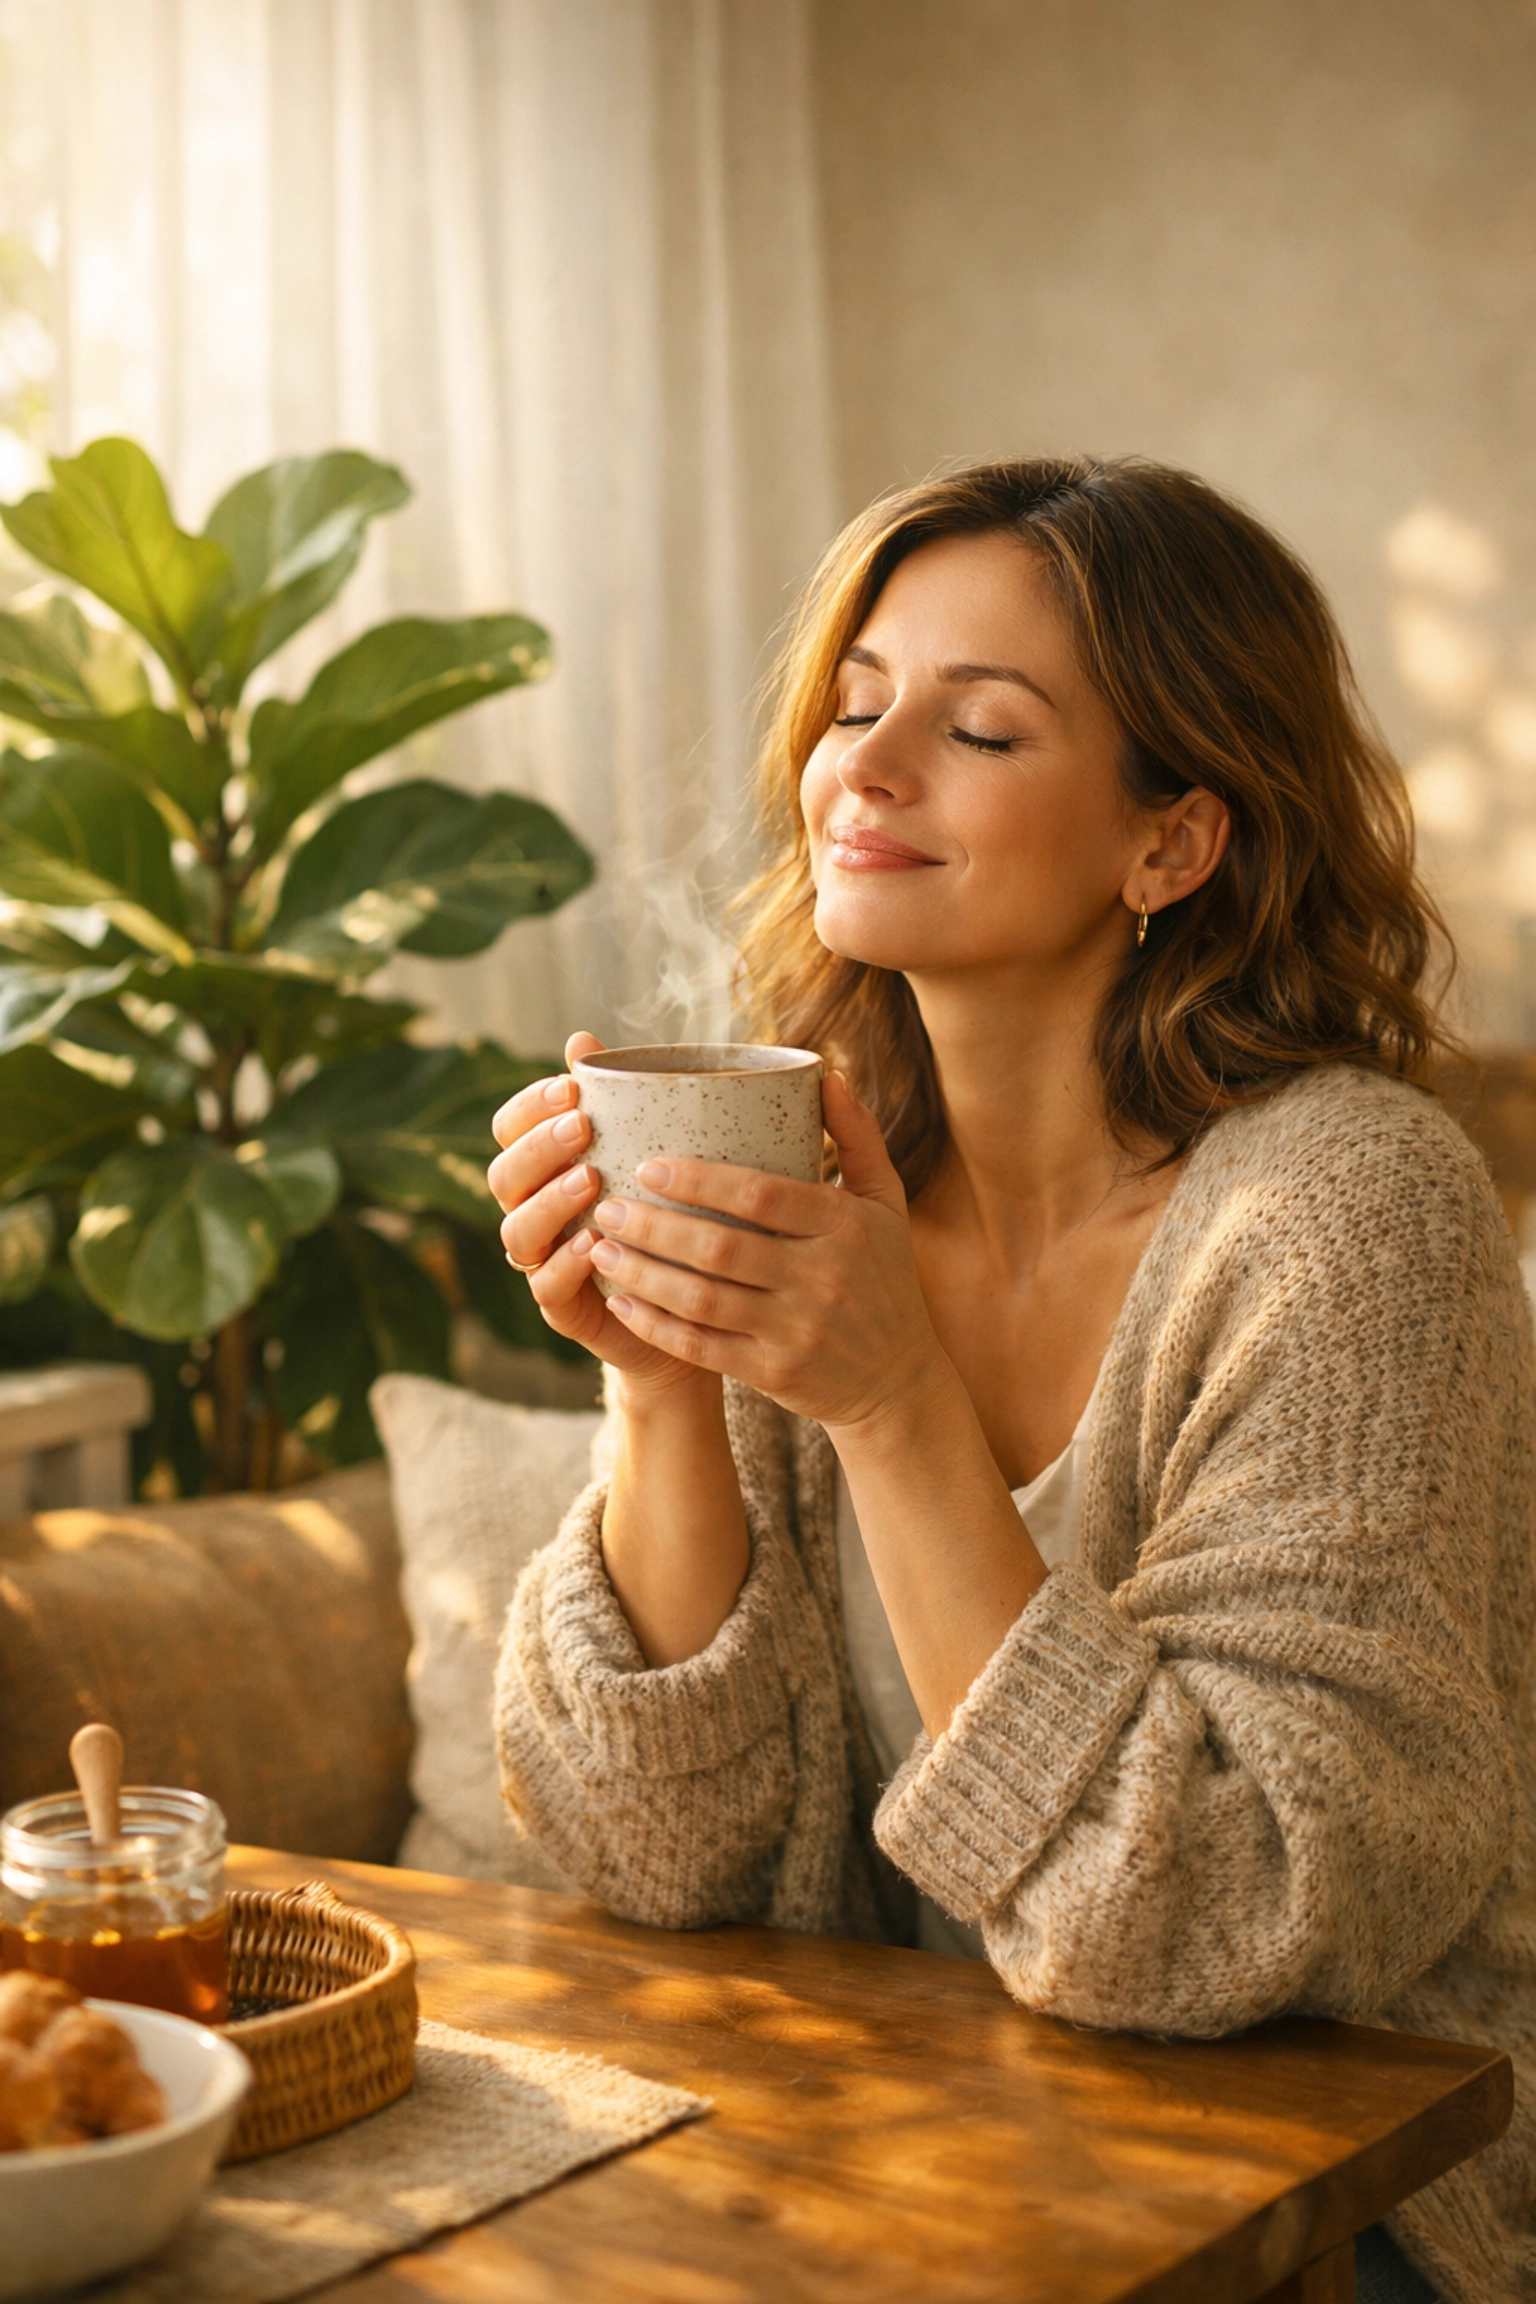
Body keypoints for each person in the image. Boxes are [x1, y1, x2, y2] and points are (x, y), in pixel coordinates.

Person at [486, 458, 1536, 2304]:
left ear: (1172, 845)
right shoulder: (820, 1166)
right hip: (887, 2152)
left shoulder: (1348, 1210)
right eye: (855, 706)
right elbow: (654, 1857)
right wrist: (659, 1387)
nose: (867, 771)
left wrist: (893, 1407)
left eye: (976, 729)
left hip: (1313, 2209)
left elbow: (1223, 1912)